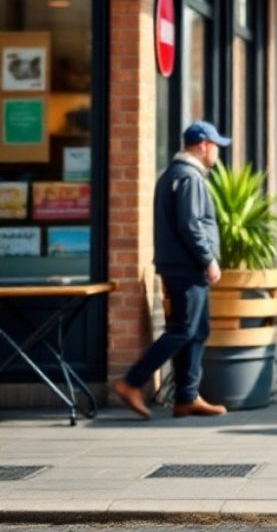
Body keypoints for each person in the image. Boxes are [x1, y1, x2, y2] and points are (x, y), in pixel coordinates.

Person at [114, 121, 231, 419]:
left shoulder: (174, 175)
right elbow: (190, 225)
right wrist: (209, 259)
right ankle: (131, 382)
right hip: (186, 267)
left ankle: (187, 397)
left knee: (197, 329)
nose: (218, 152)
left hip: (181, 265)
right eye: (216, 145)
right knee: (182, 329)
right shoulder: (189, 178)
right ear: (203, 145)